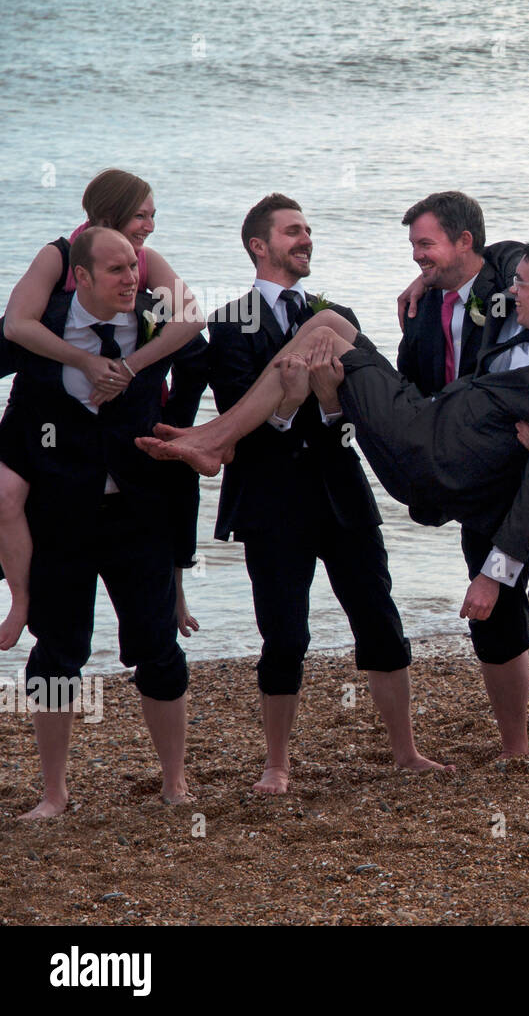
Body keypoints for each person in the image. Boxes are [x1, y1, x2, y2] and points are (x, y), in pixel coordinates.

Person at [140, 240, 529, 777]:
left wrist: (493, 573)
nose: (508, 292)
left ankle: (217, 439)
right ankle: (217, 437)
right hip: (424, 423)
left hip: (429, 457)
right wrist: (432, 275)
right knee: (324, 331)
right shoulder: (515, 285)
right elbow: (493, 251)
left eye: (522, 287)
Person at [201, 194, 445, 794]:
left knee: (380, 621)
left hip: (342, 494)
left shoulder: (338, 313)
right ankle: (276, 763)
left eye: (308, 230)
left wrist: (332, 402)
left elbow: (363, 417)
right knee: (284, 635)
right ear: (259, 246)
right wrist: (284, 409)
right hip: (270, 501)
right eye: (291, 232)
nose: (304, 240)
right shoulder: (228, 323)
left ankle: (406, 752)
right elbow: (237, 415)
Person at [394, 192, 529, 776]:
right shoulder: (423, 310)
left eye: (425, 245)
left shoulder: (514, 272)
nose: (416, 258)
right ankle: (514, 745)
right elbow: (422, 395)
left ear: (466, 243)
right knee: (489, 595)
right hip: (486, 470)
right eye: (413, 247)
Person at [9, 227, 205, 818]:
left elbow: (201, 349)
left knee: (158, 648)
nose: (132, 279)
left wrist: (187, 438)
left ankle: (175, 781)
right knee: (57, 651)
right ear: (82, 277)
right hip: (59, 515)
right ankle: (53, 793)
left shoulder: (155, 324)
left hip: (138, 513)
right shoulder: (44, 331)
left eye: (135, 268)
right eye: (116, 270)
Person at [0, 168, 207, 650]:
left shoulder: (146, 261)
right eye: (141, 215)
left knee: (171, 494)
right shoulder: (59, 256)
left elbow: (193, 318)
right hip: (45, 410)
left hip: (122, 421)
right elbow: (16, 325)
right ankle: (21, 600)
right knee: (6, 495)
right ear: (109, 212)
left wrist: (130, 368)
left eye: (153, 216)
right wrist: (84, 362)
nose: (150, 226)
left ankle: (175, 598)